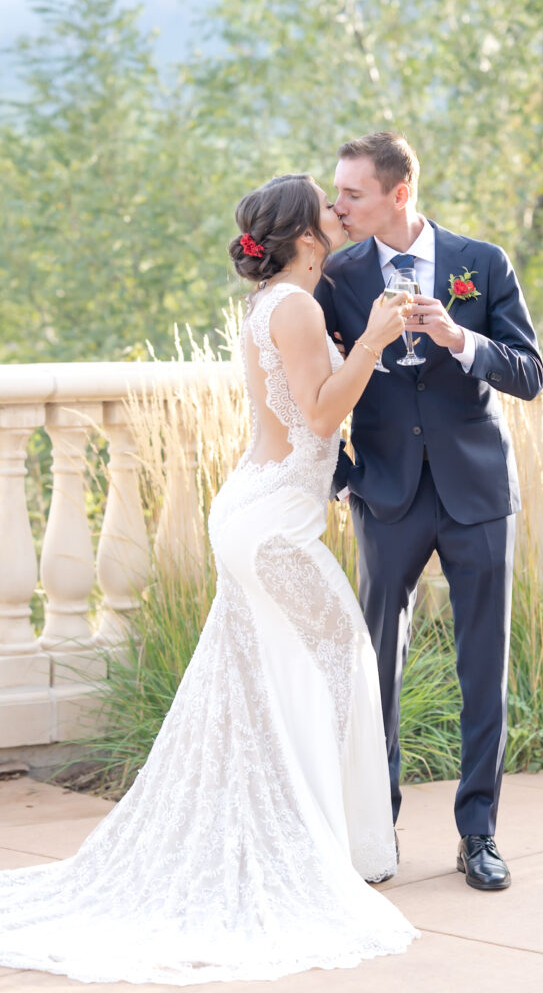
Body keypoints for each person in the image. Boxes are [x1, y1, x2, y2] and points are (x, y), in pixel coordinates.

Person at [0, 174, 418, 984]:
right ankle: (321, 846)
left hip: (261, 510)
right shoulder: (296, 308)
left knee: (279, 675)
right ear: (304, 235)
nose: (338, 213)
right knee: (341, 658)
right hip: (272, 527)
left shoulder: (274, 303)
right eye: (326, 207)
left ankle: (321, 837)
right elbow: (319, 414)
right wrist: (371, 339)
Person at [315, 133, 543, 892]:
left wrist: (459, 337)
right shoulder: (338, 276)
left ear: (399, 193)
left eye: (352, 194)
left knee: (483, 666)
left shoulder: (484, 262)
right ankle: (375, 830)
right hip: (386, 493)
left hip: (478, 493)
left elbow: (530, 374)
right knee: (374, 666)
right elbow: (313, 383)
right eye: (338, 193)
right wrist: (344, 478)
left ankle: (478, 834)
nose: (339, 206)